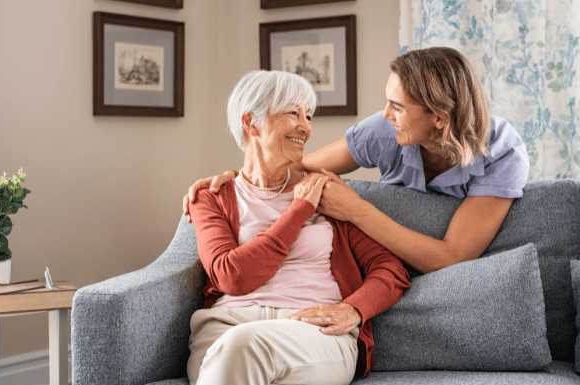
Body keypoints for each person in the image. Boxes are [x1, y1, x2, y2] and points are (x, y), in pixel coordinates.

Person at [184, 47, 530, 274]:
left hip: (448, 277)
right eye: (387, 101)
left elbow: (453, 258)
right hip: (383, 267)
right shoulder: (384, 131)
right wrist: (236, 178)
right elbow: (294, 171)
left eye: (398, 107)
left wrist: (355, 209)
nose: (385, 114)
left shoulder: (502, 152)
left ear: (439, 117)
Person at [186, 70, 410, 385]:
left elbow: (390, 270)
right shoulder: (213, 196)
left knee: (243, 346)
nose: (305, 127)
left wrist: (353, 309)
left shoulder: (327, 191)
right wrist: (298, 212)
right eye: (293, 113)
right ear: (251, 122)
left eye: (308, 116)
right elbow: (231, 276)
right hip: (225, 327)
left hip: (313, 332)